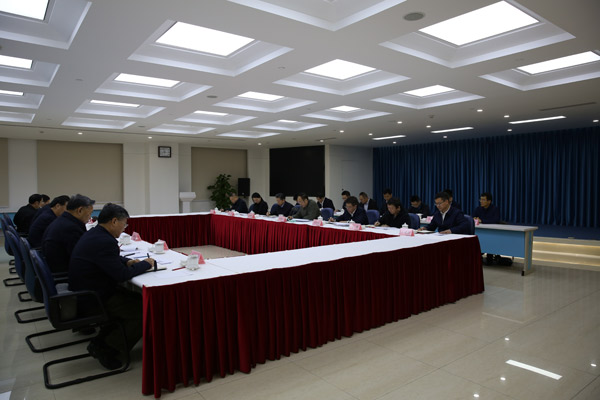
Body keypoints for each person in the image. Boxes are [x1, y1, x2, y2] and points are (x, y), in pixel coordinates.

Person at [69, 203, 154, 370]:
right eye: (124, 224)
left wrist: (127, 261)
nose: (124, 228)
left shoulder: (95, 234)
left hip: (88, 290)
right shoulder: (104, 241)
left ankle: (100, 342)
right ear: (114, 221)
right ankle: (108, 349)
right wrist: (146, 264)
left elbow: (109, 259)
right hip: (94, 297)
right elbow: (121, 275)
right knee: (143, 311)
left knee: (137, 299)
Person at [41, 194, 95, 273]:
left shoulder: (63, 220)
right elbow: (82, 256)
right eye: (89, 214)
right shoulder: (70, 229)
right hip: (64, 271)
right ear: (80, 210)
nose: (90, 217)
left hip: (55, 265)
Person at [473, 192, 508, 265]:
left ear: (489, 201)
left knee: (490, 240)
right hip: (481, 232)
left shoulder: (495, 209)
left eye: (483, 200)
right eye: (480, 199)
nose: (481, 201)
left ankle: (490, 257)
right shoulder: (478, 209)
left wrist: (482, 221)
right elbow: (474, 218)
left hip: (493, 232)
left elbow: (495, 220)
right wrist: (475, 219)